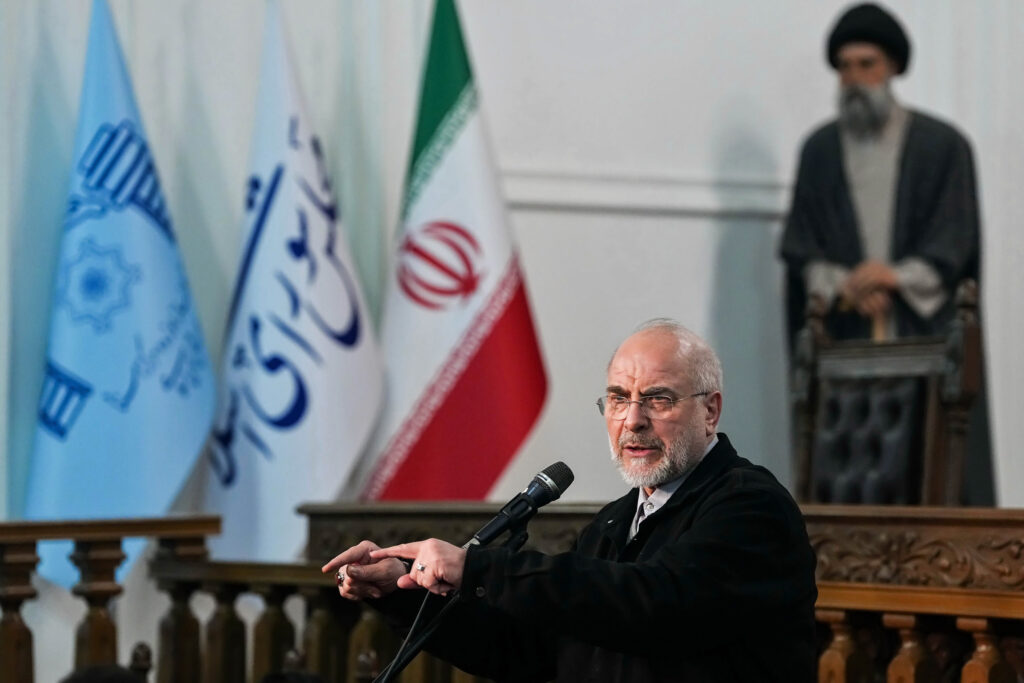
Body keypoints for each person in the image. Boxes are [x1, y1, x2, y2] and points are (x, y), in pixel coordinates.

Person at [322, 319, 818, 682]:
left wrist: (480, 568)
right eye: (618, 398)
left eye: (658, 399)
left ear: (710, 411)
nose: (633, 420)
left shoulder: (751, 506)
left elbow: (658, 604)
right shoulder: (614, 523)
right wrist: (400, 592)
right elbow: (527, 651)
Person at [780, 2, 980, 345]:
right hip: (844, 333)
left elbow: (955, 241)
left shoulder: (942, 147)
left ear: (892, 67)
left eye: (866, 64)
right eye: (844, 67)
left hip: (924, 336)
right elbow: (802, 247)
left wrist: (893, 277)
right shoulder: (819, 151)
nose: (854, 79)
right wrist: (847, 285)